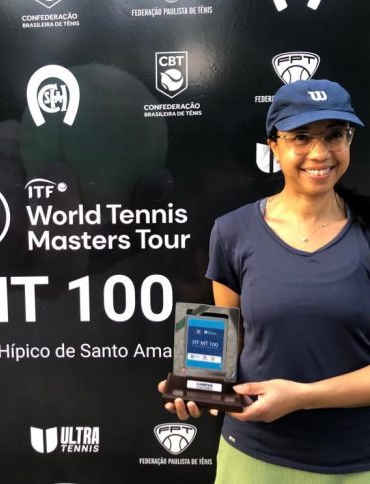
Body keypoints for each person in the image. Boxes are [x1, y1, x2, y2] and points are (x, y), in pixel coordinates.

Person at [159, 79, 370, 483]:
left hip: (356, 464)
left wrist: (302, 397)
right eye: (301, 137)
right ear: (274, 145)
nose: (320, 153)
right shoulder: (232, 231)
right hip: (253, 458)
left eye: (334, 135)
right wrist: (195, 385)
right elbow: (221, 339)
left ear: (349, 140)